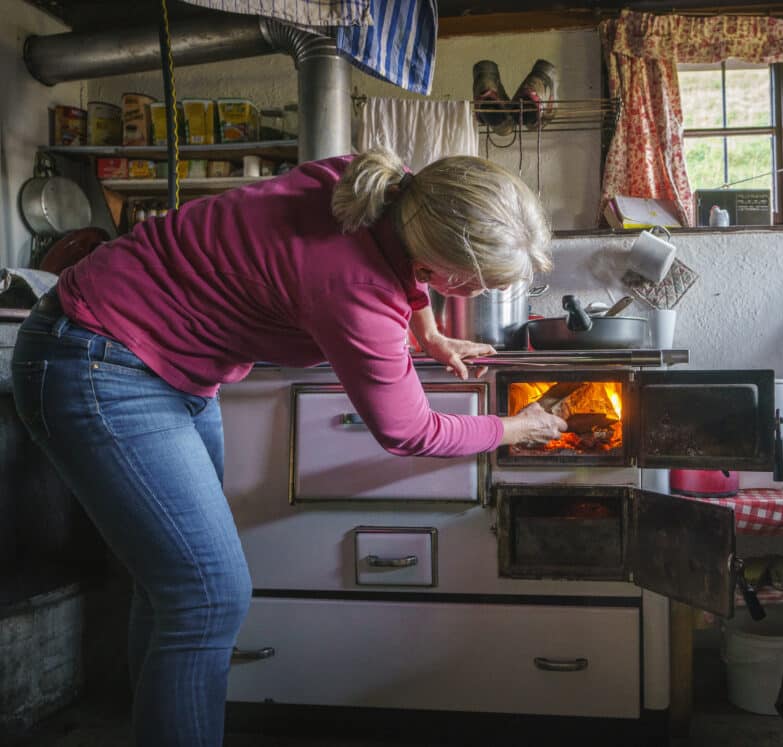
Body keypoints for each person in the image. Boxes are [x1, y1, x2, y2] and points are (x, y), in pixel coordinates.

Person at [10, 147, 567, 747]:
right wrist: (515, 428)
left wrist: (426, 332)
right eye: (480, 283)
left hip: (167, 366)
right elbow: (412, 430)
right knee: (207, 596)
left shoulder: (371, 181)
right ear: (442, 266)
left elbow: (405, 264)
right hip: (97, 361)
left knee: (175, 591)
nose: (481, 293)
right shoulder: (354, 289)